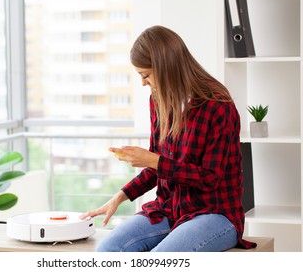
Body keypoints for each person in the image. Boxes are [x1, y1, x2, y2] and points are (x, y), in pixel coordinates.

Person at [81, 25, 257, 252]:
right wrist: (119, 197)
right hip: (168, 209)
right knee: (108, 250)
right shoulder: (158, 100)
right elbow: (159, 168)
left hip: (215, 213)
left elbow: (210, 179)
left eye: (146, 75)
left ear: (166, 68)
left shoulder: (217, 105)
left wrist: (153, 160)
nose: (143, 83)